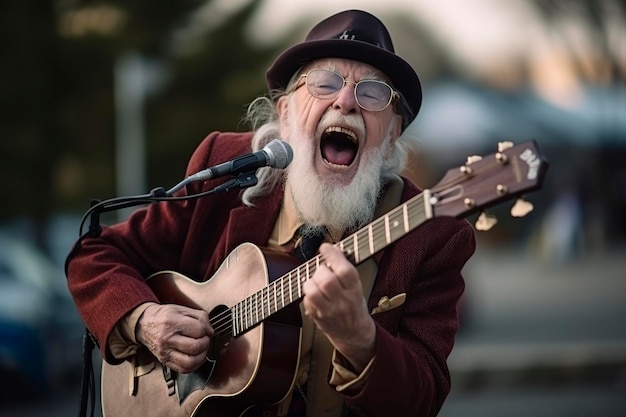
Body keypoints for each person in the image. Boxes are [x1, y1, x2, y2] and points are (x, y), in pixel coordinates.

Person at [66, 9, 476, 417]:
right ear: (285, 115)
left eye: (372, 94)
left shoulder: (432, 233)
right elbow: (94, 257)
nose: (346, 101)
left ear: (390, 138)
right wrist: (144, 320)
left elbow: (423, 398)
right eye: (324, 82)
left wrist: (361, 338)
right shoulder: (225, 166)